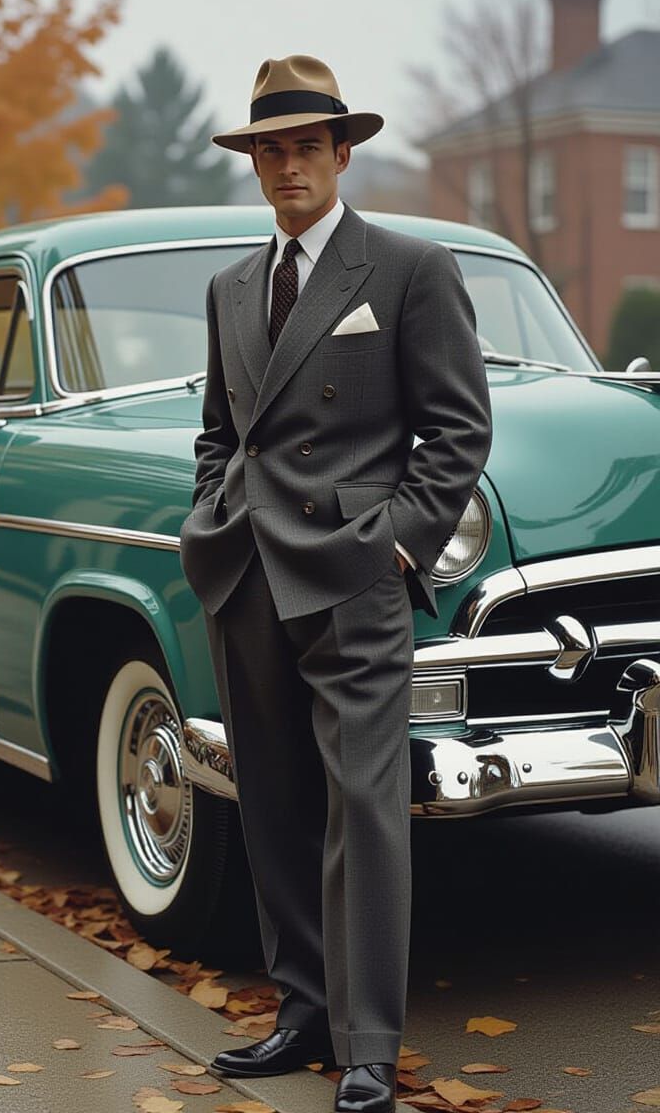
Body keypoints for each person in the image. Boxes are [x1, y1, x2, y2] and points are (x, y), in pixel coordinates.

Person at [179, 54, 492, 1113]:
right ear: (254, 162)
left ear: (341, 152)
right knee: (269, 803)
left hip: (352, 578)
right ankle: (301, 1010)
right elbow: (219, 432)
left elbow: (455, 433)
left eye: (305, 146)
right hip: (247, 576)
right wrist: (211, 512)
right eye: (269, 149)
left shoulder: (406, 268)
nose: (287, 167)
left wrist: (394, 546)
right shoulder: (228, 285)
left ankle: (365, 1045)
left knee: (362, 814)